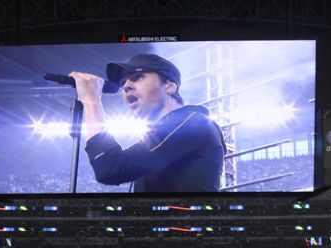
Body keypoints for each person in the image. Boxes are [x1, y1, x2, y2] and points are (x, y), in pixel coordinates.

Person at [71, 53, 226, 193]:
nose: (126, 86)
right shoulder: (168, 133)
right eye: (123, 81)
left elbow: (109, 167)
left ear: (169, 86)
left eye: (137, 77)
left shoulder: (194, 124)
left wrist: (92, 101)